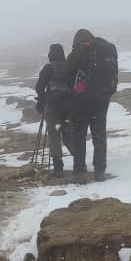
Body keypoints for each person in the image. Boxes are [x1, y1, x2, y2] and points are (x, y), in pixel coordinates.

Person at [66, 29, 118, 182]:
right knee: (99, 135)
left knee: (79, 135)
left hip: (82, 100)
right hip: (102, 99)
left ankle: (80, 172)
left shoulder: (78, 51)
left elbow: (66, 73)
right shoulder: (107, 49)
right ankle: (100, 171)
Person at [34, 44, 75, 177]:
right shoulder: (70, 67)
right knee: (69, 135)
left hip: (52, 107)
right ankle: (79, 162)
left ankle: (58, 167)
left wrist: (41, 101)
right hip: (68, 107)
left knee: (54, 136)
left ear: (51, 54)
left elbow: (39, 87)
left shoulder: (48, 68)